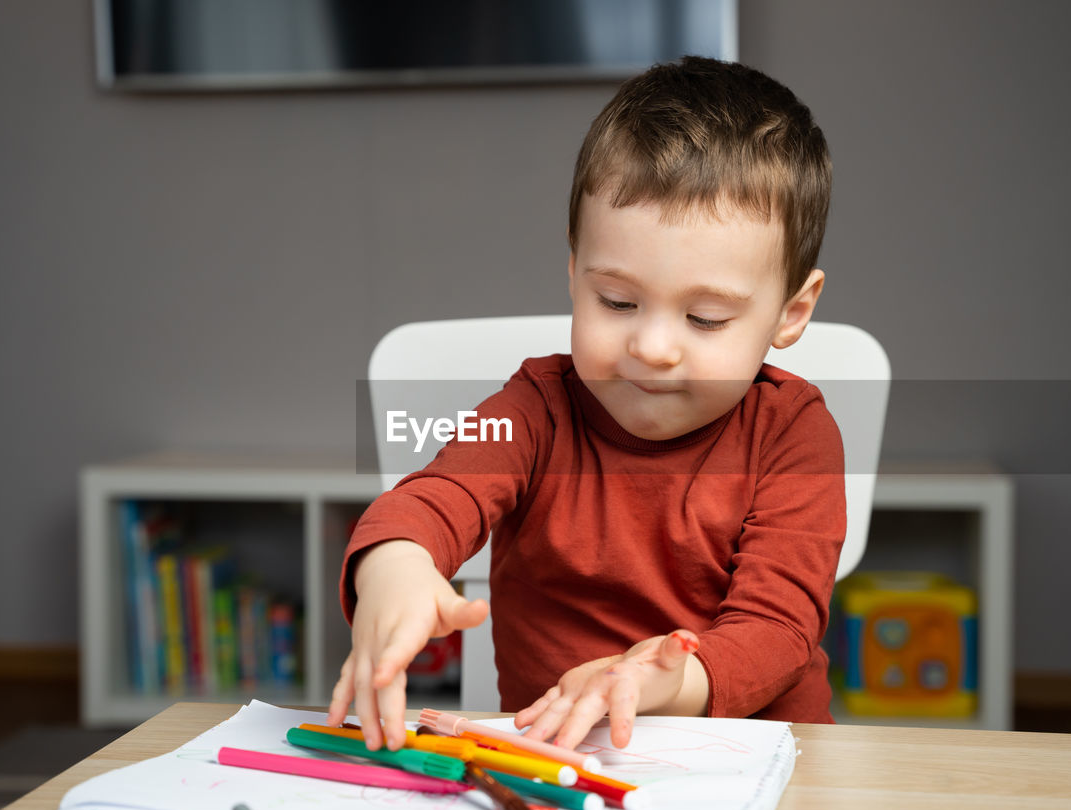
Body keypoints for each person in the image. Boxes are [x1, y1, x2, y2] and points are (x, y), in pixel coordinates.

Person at [328, 56, 843, 752]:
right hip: (561, 762)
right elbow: (435, 497)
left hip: (765, 761)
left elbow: (778, 629)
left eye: (707, 318)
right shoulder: (534, 411)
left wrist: (663, 681)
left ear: (791, 310)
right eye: (618, 301)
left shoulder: (794, 432)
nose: (653, 346)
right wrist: (396, 565)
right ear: (575, 273)